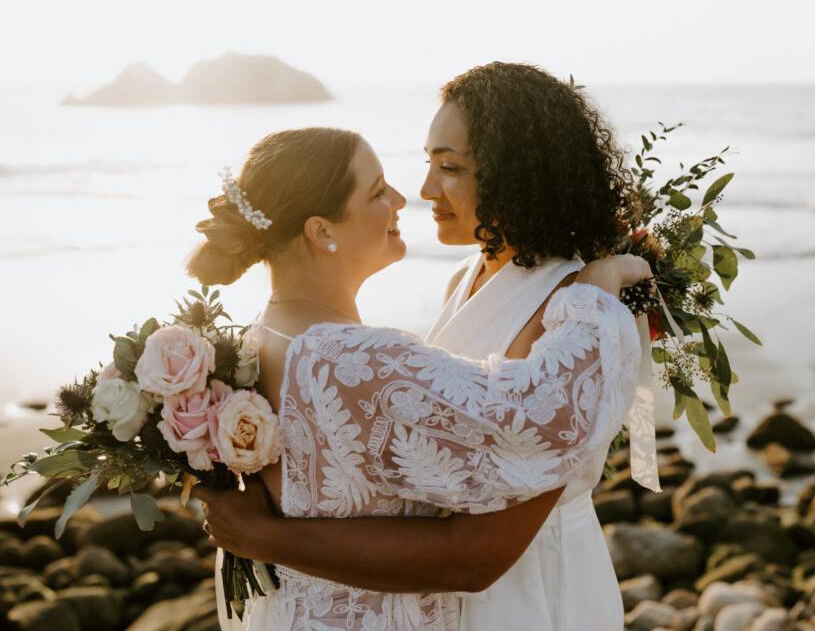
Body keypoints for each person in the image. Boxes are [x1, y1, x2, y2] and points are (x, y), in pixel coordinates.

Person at [188, 125, 649, 630]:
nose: (403, 198)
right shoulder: (350, 358)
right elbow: (537, 416)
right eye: (377, 191)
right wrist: (596, 297)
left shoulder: (257, 341)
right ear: (322, 232)